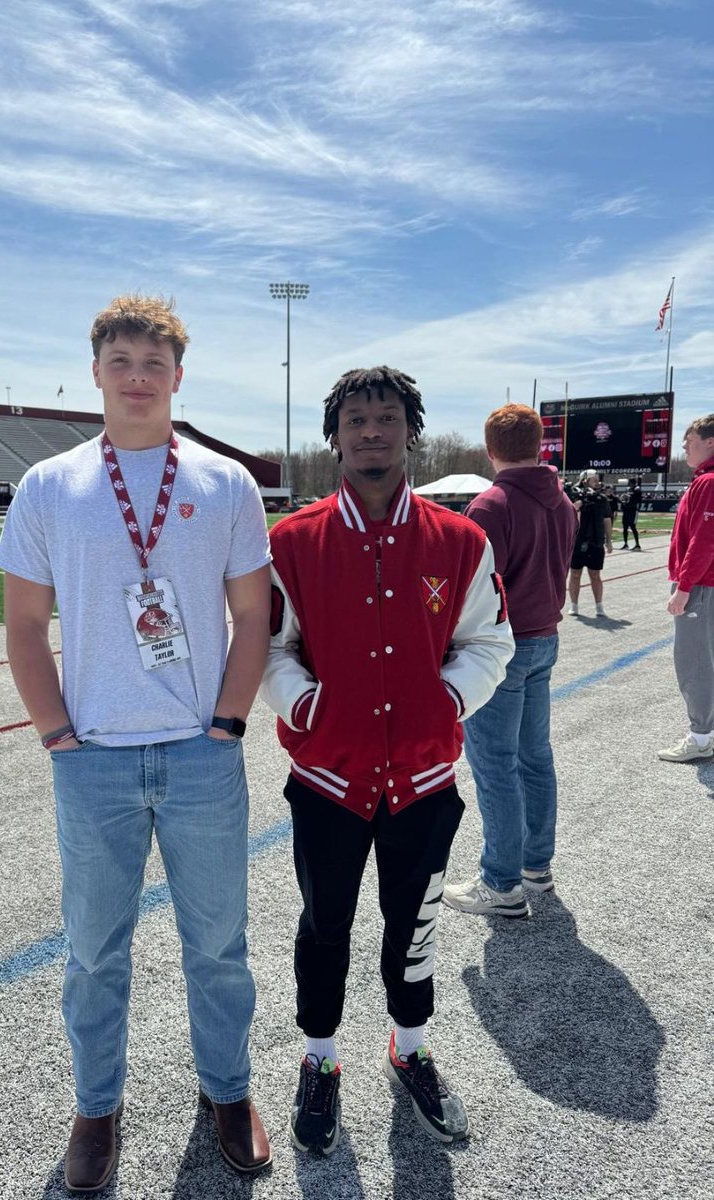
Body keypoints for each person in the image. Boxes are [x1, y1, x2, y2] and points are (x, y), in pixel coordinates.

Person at [0, 294, 273, 1190]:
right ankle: (96, 1109)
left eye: (155, 364)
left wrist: (226, 725)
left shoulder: (225, 482)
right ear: (97, 374)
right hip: (95, 763)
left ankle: (227, 1090)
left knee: (218, 944)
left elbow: (253, 616)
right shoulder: (50, 484)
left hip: (199, 754)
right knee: (94, 953)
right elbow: (26, 626)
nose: (139, 378)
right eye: (122, 362)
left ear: (178, 377)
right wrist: (57, 735)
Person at [261, 367, 513, 1154]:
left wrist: (445, 705)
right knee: (323, 926)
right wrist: (306, 708)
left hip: (424, 781)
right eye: (357, 419)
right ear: (334, 435)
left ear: (412, 430)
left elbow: (489, 642)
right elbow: (270, 650)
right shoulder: (291, 542)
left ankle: (411, 1048)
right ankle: (320, 1060)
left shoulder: (461, 538)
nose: (372, 430)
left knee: (415, 929)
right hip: (328, 780)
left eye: (388, 417)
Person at [443, 405, 578, 918]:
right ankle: (534, 866)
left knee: (495, 764)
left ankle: (500, 882)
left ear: (490, 449)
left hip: (502, 646)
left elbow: (475, 592)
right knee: (534, 756)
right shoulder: (562, 501)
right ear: (539, 445)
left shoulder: (491, 506)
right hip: (544, 635)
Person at [658, 414, 714, 762]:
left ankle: (700, 736)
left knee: (693, 661)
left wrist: (683, 587)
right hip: (706, 584)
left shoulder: (708, 482)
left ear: (710, 442)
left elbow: (704, 541)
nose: (683, 447)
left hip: (702, 586)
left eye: (689, 441)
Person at [567, 469, 612, 617]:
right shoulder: (573, 496)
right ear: (585, 480)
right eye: (594, 479)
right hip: (577, 541)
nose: (597, 482)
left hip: (595, 541)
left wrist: (609, 540)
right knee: (575, 574)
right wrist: (576, 505)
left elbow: (607, 520)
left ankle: (599, 606)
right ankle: (574, 605)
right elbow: (565, 516)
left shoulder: (601, 499)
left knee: (595, 574)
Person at [621, 477, 642, 550]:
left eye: (629, 482)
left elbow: (638, 499)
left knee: (633, 527)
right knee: (625, 527)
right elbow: (624, 499)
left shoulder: (637, 489)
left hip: (633, 510)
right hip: (626, 510)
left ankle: (637, 544)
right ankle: (625, 543)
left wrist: (630, 497)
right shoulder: (628, 489)